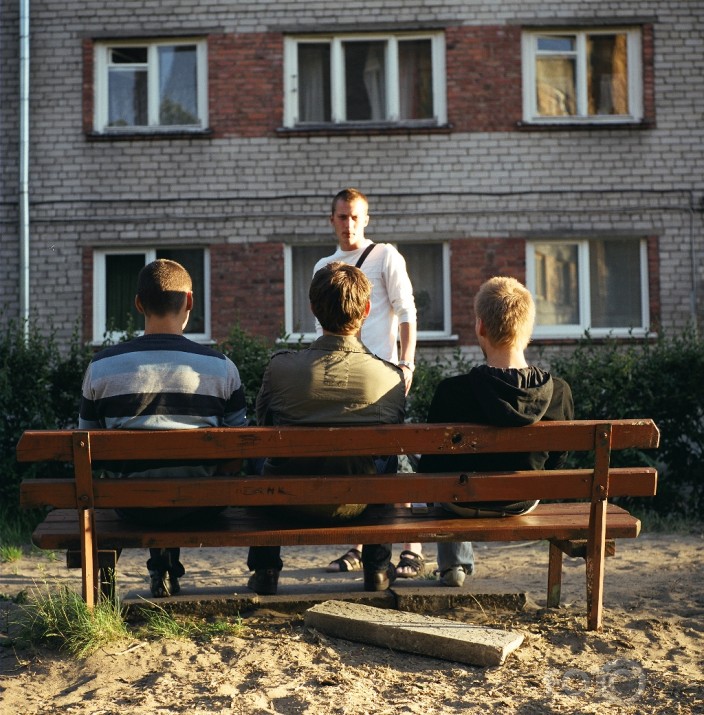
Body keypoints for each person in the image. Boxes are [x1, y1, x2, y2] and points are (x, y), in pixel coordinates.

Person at [78, 259, 247, 598]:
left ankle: (160, 569)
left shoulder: (101, 368)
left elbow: (89, 451)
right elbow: (238, 451)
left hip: (131, 507)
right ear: (190, 301)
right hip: (202, 506)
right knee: (181, 480)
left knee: (148, 482)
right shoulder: (221, 368)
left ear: (139, 304)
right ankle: (166, 568)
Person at [247, 262, 406, 595]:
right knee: (387, 463)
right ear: (365, 310)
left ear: (313, 309)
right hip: (358, 503)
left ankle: (265, 570)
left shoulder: (281, 368)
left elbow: (262, 429)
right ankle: (376, 567)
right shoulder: (391, 378)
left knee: (259, 460)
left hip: (287, 501)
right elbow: (390, 447)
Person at [418, 276, 574, 587]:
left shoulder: (452, 391)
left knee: (435, 472)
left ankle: (453, 566)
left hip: (459, 503)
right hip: (523, 500)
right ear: (528, 331)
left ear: (480, 327)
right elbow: (556, 465)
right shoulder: (558, 392)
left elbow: (431, 469)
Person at [313, 187, 425, 579]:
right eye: (342, 217)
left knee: (397, 460)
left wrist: (407, 365)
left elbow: (407, 311)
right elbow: (321, 327)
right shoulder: (324, 266)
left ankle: (411, 549)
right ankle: (358, 544)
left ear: (367, 219)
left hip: (383, 379)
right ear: (332, 221)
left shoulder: (384, 256)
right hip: (343, 378)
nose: (349, 224)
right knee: (353, 461)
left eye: (356, 217)